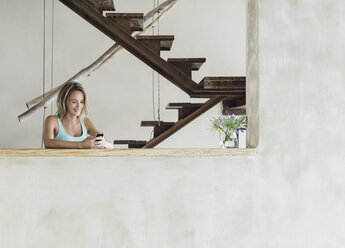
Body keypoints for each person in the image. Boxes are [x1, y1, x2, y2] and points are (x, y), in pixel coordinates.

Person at [43, 82, 114, 149]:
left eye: (82, 102)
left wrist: (102, 143)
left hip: (83, 162)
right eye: (74, 102)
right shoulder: (52, 120)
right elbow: (48, 143)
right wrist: (81, 144)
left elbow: (109, 144)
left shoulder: (86, 122)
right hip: (59, 162)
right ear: (64, 102)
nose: (79, 106)